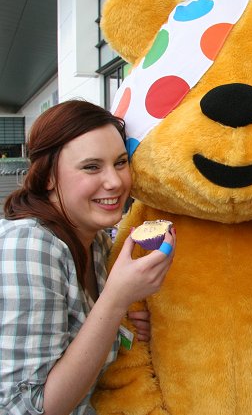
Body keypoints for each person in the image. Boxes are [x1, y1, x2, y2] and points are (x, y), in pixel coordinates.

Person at [0, 100, 176, 415]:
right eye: (91, 167)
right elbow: (25, 408)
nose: (115, 181)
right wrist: (116, 300)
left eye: (121, 162)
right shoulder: (30, 244)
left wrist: (126, 327)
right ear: (48, 176)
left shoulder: (94, 241)